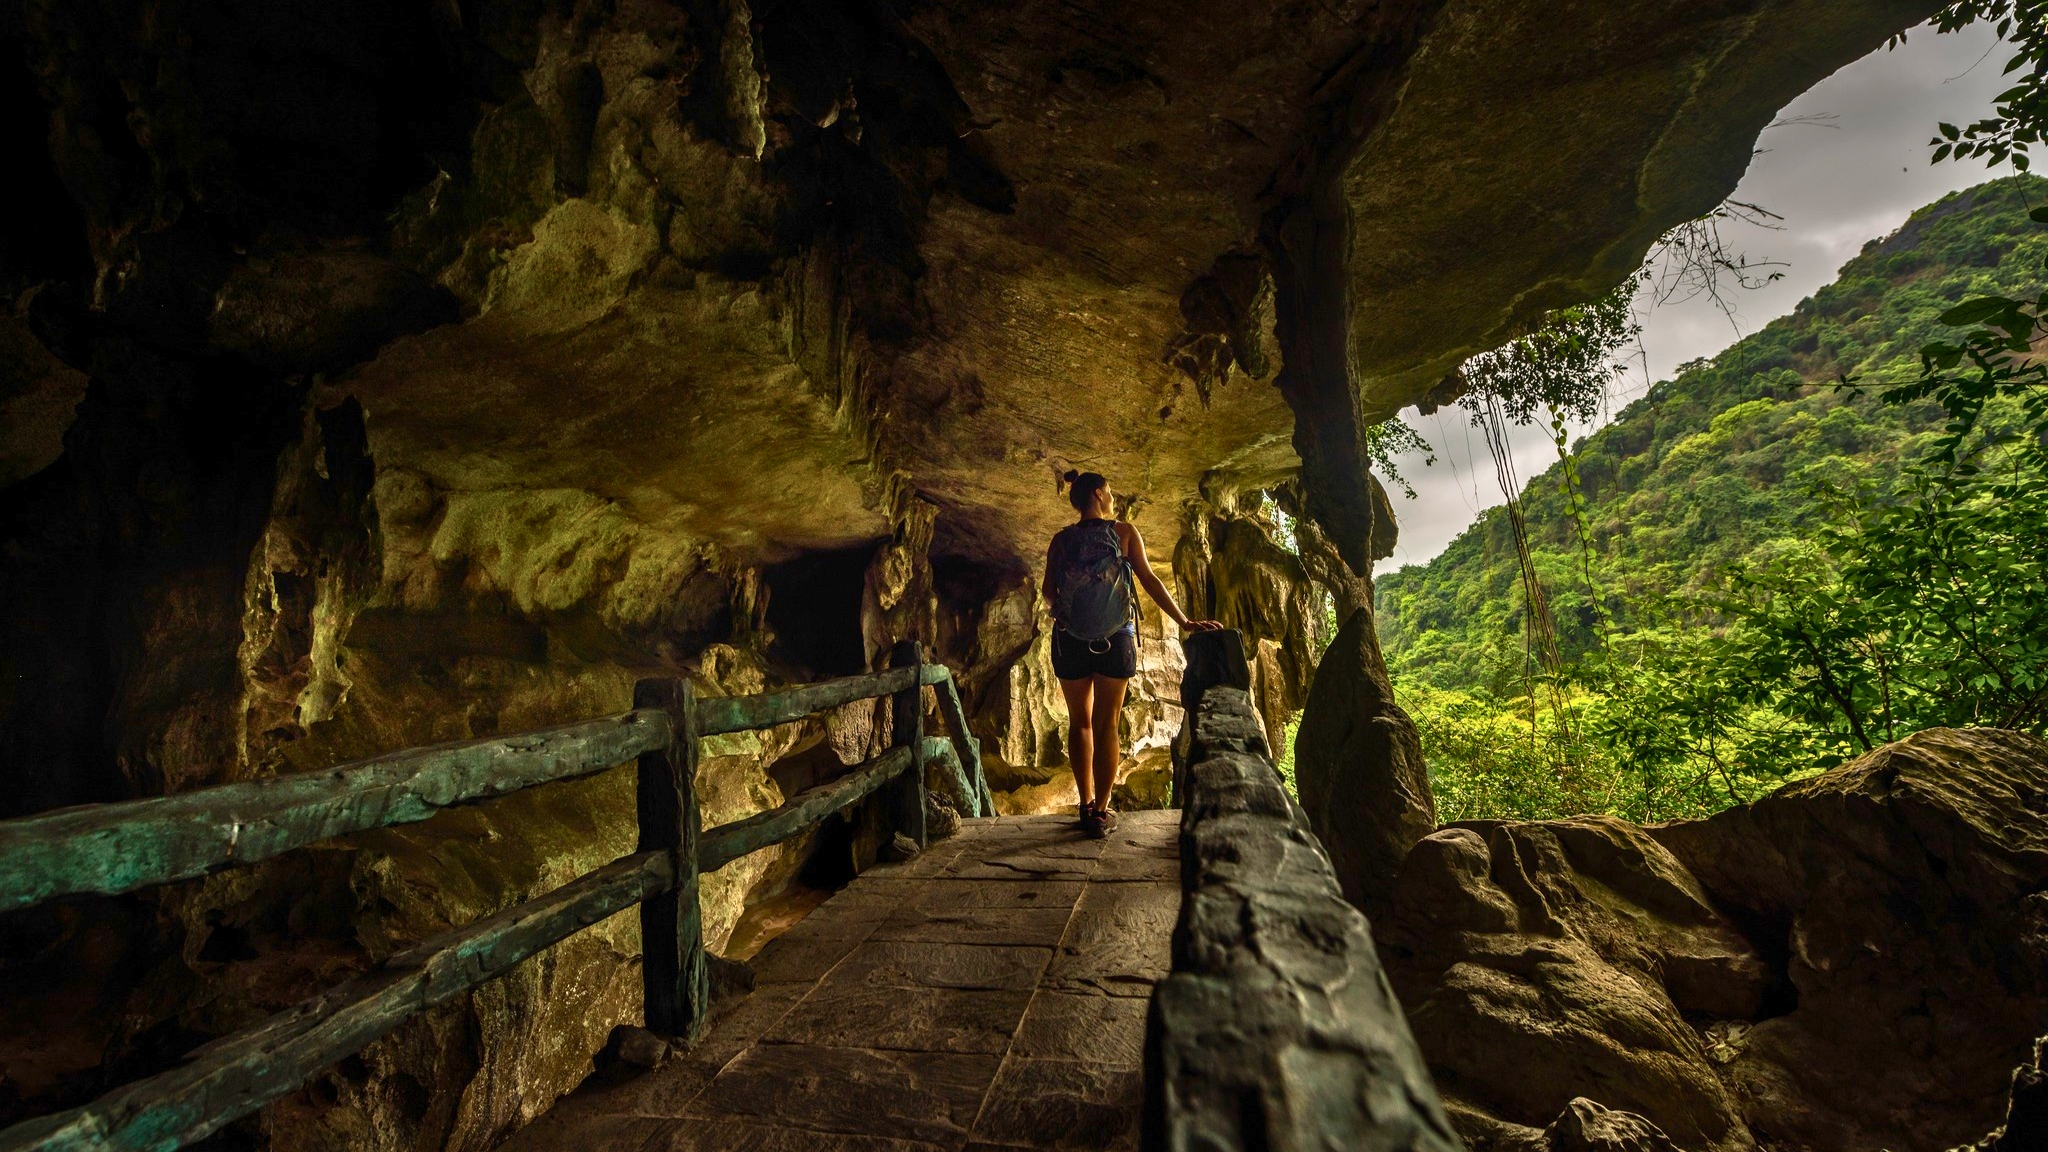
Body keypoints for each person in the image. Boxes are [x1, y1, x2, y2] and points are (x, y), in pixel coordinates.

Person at [1043, 470, 1220, 836]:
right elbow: (1149, 580)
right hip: (1115, 642)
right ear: (1097, 493)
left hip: (1070, 641)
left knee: (1081, 723)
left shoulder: (1061, 541)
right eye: (1108, 491)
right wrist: (1185, 622)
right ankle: (1102, 811)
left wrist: (1070, 611)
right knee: (1107, 723)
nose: (1112, 496)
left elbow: (1048, 591)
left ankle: (1085, 803)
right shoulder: (1123, 533)